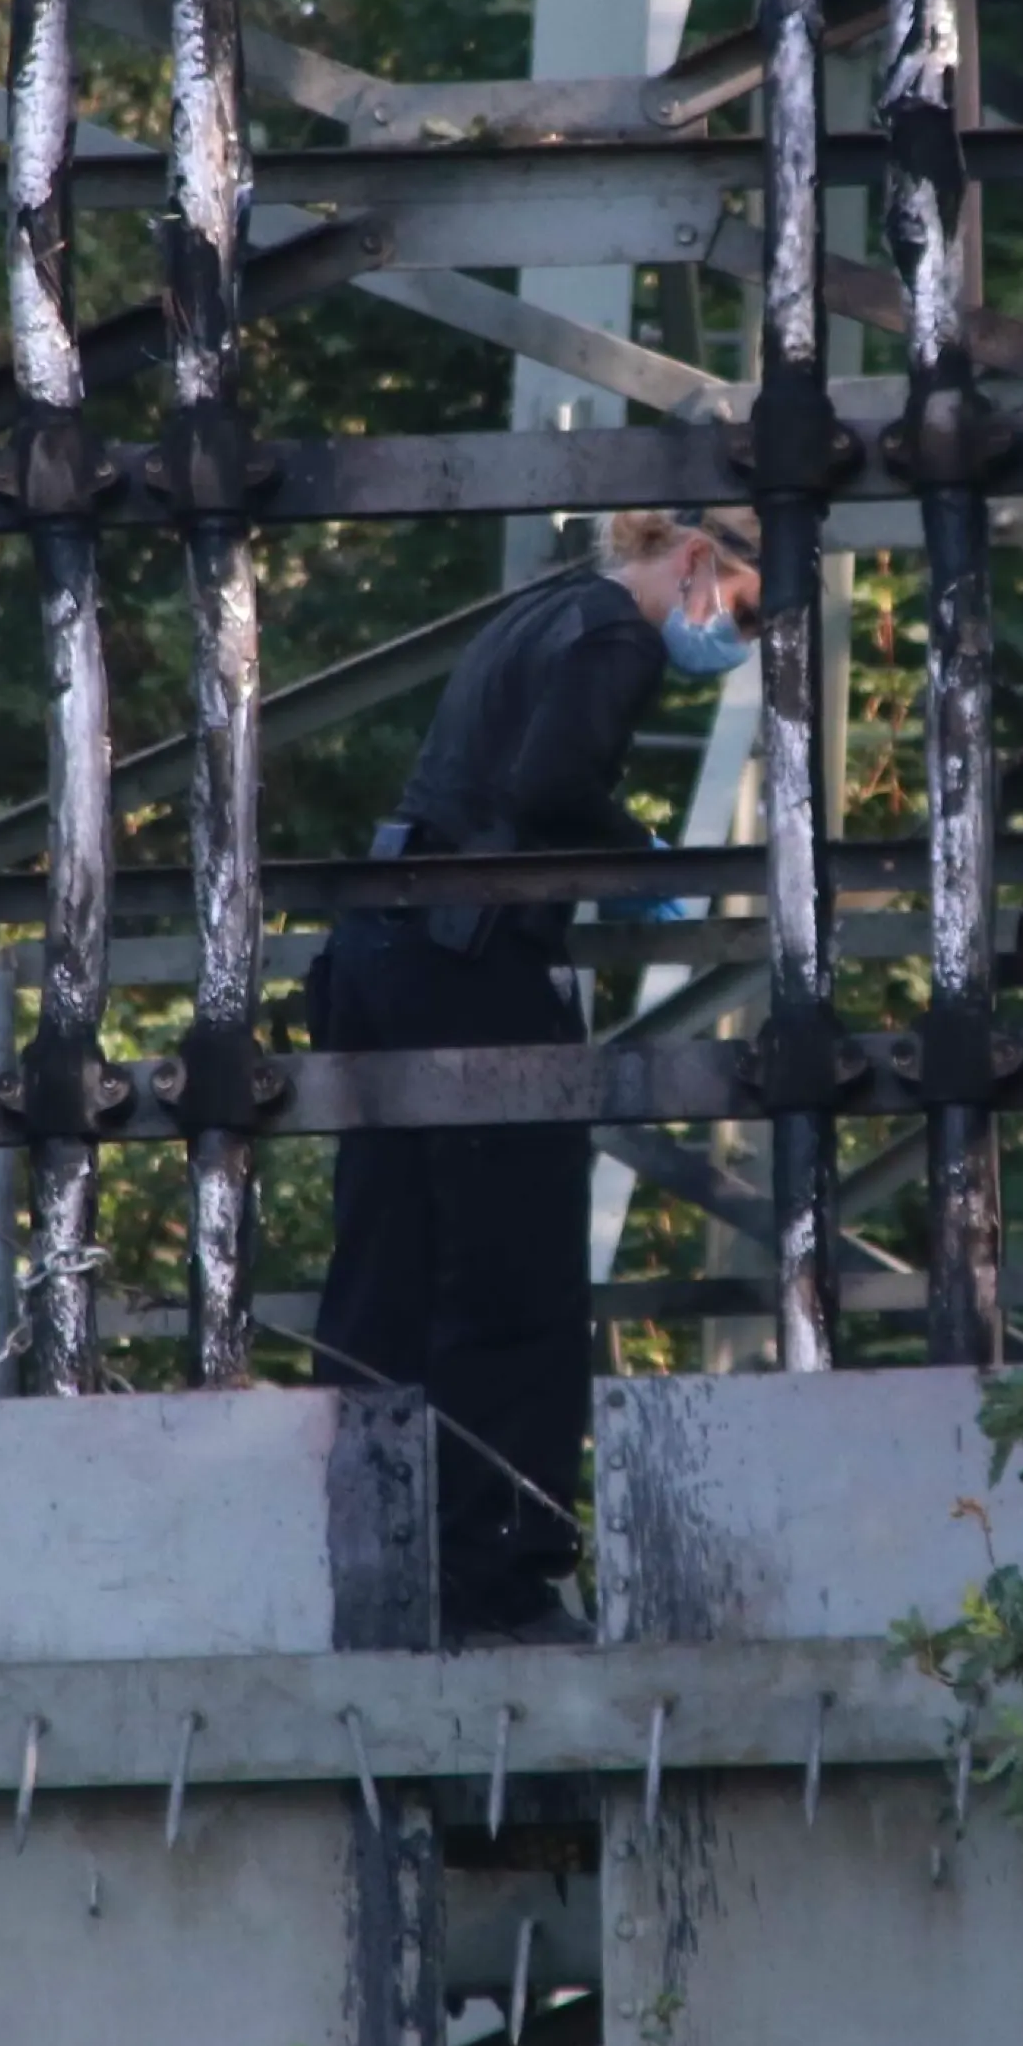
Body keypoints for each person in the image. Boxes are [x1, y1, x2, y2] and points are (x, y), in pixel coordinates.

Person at [309, 507, 764, 1646]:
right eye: (744, 611)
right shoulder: (616, 633)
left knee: (388, 1265)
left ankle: (358, 1562)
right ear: (698, 562)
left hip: (381, 945)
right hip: (470, 957)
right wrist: (635, 855)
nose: (735, 642)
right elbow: (552, 790)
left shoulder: (540, 612)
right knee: (513, 1280)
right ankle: (494, 1578)